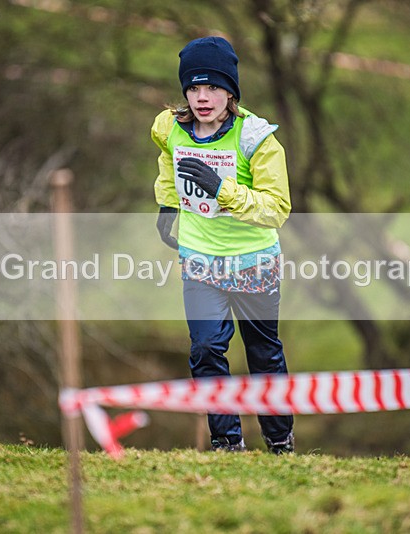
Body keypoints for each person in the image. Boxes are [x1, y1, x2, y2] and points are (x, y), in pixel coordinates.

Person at [151, 36, 294, 454]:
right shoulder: (169, 127)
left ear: (230, 90)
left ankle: (279, 439)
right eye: (193, 88)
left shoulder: (257, 140)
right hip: (199, 259)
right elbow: (168, 158)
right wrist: (166, 202)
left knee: (263, 354)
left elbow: (276, 209)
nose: (202, 98)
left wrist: (222, 190)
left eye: (212, 87)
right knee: (206, 348)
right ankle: (226, 442)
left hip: (254, 262)